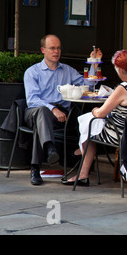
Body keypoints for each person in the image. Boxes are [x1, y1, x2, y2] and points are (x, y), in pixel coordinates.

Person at [61, 49, 127, 186]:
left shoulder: (123, 88)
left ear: (121, 70)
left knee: (90, 125)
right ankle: (81, 151)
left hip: (122, 135)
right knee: (92, 123)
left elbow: (101, 113)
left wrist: (95, 110)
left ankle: (83, 173)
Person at [24, 34, 87, 185]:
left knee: (41, 125)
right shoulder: (32, 72)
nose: (56, 51)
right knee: (42, 113)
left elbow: (87, 86)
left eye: (58, 48)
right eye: (52, 48)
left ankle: (36, 168)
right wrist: (52, 109)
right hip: (34, 111)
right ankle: (50, 147)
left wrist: (94, 65)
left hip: (61, 115)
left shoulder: (68, 71)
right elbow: (32, 99)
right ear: (43, 50)